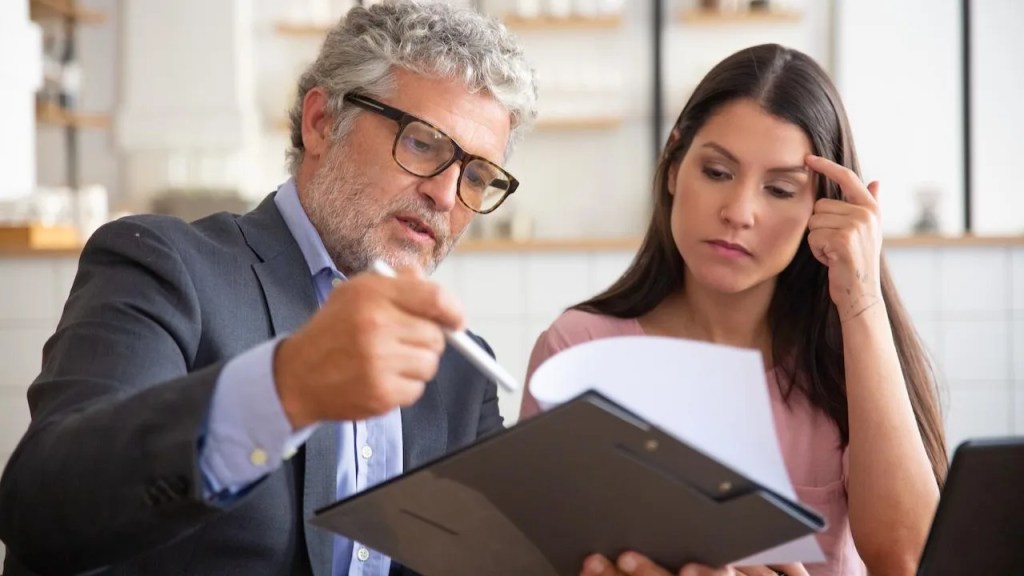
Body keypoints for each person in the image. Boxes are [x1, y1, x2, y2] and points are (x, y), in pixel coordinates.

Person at [0, 2, 537, 575]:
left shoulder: (461, 368)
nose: (448, 197)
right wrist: (285, 389)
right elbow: (41, 509)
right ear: (322, 123)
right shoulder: (167, 266)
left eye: (477, 176)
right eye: (424, 144)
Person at [521, 44, 948, 576]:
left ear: (823, 209)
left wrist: (861, 299)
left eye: (780, 189)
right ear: (674, 165)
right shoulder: (578, 349)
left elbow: (909, 561)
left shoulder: (844, 359)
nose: (739, 212)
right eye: (718, 172)